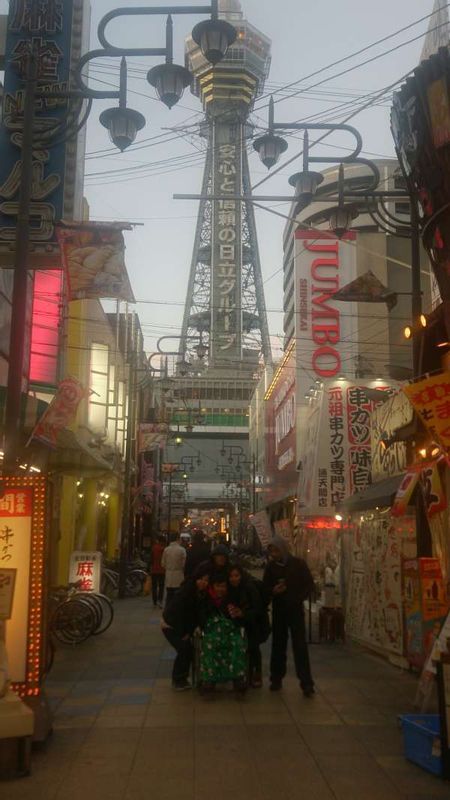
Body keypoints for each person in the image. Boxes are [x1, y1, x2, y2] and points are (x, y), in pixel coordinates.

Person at [263, 536, 315, 697]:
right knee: (278, 645)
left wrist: (298, 598)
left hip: (295, 611)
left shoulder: (298, 564)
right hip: (279, 611)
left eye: (276, 550)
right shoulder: (271, 567)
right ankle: (276, 679)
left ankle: (306, 683)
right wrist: (273, 591)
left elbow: (309, 584)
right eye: (271, 551)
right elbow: (266, 588)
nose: (274, 554)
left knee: (300, 646)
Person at [198, 573, 247, 696]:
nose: (221, 589)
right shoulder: (206, 599)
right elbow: (202, 616)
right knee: (210, 644)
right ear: (213, 586)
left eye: (223, 586)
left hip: (229, 630)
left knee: (237, 643)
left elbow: (237, 617)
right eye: (218, 586)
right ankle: (209, 680)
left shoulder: (231, 599)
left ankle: (238, 679)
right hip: (212, 630)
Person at [161, 570, 209, 691]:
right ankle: (178, 679)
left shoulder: (199, 594)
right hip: (171, 625)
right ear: (195, 579)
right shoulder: (186, 592)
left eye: (206, 580)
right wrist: (184, 632)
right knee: (184, 649)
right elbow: (180, 614)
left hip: (180, 626)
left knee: (187, 650)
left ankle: (183, 678)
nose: (203, 582)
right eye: (201, 579)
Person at [228, 563, 270, 688]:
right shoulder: (230, 589)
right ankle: (245, 674)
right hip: (242, 622)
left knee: (253, 647)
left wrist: (243, 613)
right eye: (231, 576)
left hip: (255, 623)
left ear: (241, 576)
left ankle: (255, 674)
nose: (233, 579)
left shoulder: (249, 587)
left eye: (236, 575)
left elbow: (258, 609)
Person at [161, 534, 186, 605]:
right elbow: (184, 563)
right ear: (178, 539)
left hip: (169, 575)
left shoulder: (166, 549)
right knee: (177, 594)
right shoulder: (182, 550)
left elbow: (163, 563)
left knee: (169, 594)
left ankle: (168, 608)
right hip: (179, 575)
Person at [150, 535, 166, 608]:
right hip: (162, 570)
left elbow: (151, 559)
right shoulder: (164, 549)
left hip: (154, 570)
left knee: (154, 586)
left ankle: (154, 601)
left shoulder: (154, 548)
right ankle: (160, 600)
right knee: (161, 586)